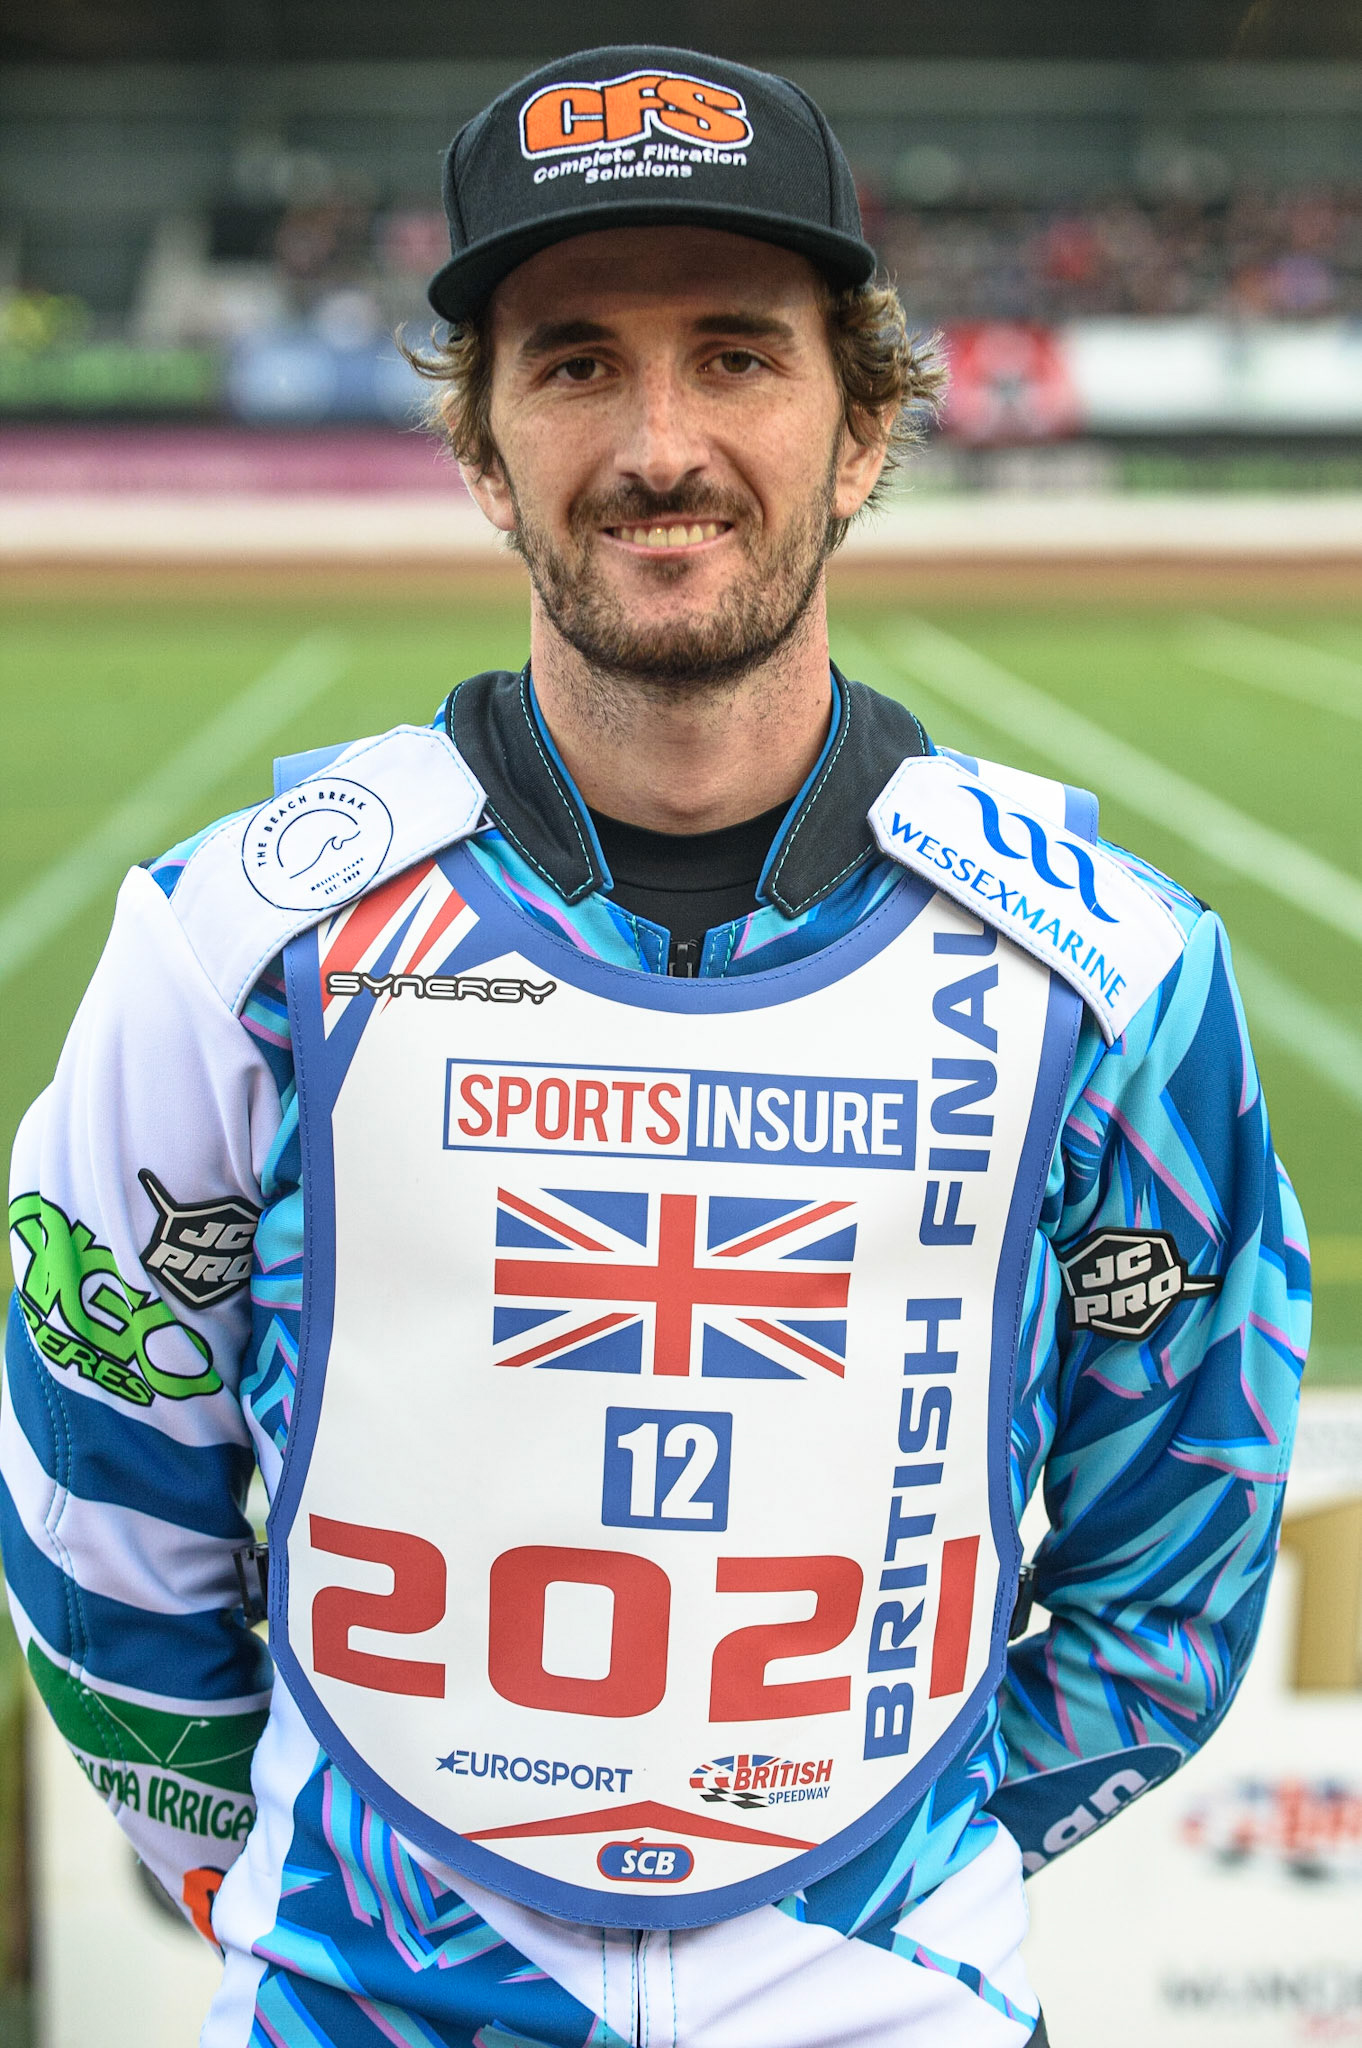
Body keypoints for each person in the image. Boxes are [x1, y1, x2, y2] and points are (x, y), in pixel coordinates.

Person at [2, 46, 1308, 2048]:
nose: (661, 441)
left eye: (737, 355)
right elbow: (96, 1499)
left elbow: (1179, 1567)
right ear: (480, 446)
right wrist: (290, 1872)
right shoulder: (236, 947)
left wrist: (894, 1871)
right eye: (578, 363)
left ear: (862, 429)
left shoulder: (1112, 975)